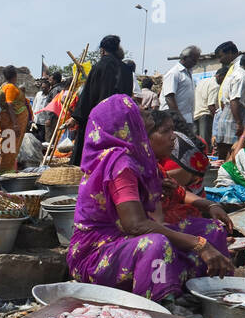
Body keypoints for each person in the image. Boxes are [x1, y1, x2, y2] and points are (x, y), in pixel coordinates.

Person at [66, 96, 232, 302]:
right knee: (156, 244)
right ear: (125, 122)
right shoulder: (119, 162)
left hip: (123, 243)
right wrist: (199, 245)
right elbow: (135, 225)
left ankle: (208, 294)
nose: (145, 110)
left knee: (212, 230)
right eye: (138, 108)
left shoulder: (139, 158)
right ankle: (157, 303)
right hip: (96, 253)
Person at [146, 111, 233, 232]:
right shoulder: (137, 168)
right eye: (165, 131)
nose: (173, 136)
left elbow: (180, 191)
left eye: (172, 130)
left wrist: (211, 205)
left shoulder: (156, 166)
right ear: (145, 136)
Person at [72, 35, 132, 146]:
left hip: (99, 120)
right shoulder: (127, 70)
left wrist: (77, 117)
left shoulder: (98, 67)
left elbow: (88, 95)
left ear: (102, 50)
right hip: (120, 121)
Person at [212, 49, 245, 157]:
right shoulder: (240, 77)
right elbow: (234, 100)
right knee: (232, 149)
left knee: (229, 150)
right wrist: (238, 123)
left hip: (232, 116)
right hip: (233, 118)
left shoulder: (239, 75)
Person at [0, 65, 32, 174]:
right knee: (8, 149)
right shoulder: (10, 87)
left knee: (10, 148)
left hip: (11, 123)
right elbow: (10, 104)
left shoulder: (8, 86)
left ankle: (8, 171)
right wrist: (15, 124)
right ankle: (6, 173)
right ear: (15, 75)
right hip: (10, 124)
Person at [160, 45, 200, 133]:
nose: (195, 63)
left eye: (197, 60)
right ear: (184, 58)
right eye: (193, 60)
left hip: (186, 119)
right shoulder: (174, 73)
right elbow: (169, 97)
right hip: (174, 120)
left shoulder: (188, 73)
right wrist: (178, 118)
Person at [193, 68, 219, 149]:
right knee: (205, 143)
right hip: (205, 115)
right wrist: (217, 120)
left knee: (196, 143)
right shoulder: (215, 85)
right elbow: (211, 105)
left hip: (195, 113)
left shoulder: (202, 81)